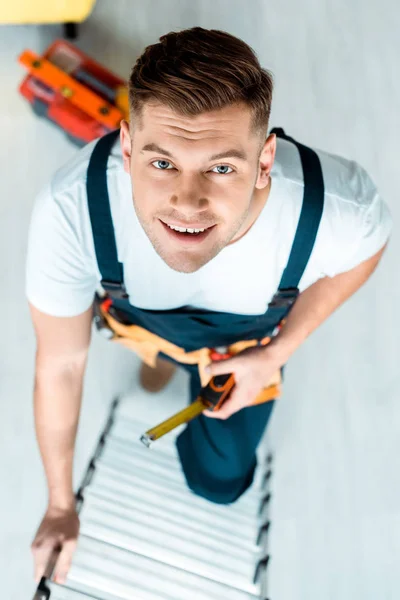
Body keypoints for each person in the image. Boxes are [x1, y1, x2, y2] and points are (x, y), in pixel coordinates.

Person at [27, 26, 392, 586]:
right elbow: (61, 363)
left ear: (265, 159)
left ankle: (175, 365)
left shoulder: (335, 207)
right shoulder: (72, 207)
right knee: (142, 334)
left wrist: (276, 355)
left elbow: (369, 249)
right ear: (126, 148)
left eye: (221, 168)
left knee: (217, 481)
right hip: (141, 317)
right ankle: (159, 356)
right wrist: (58, 504)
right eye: (162, 163)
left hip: (245, 348)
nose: (187, 204)